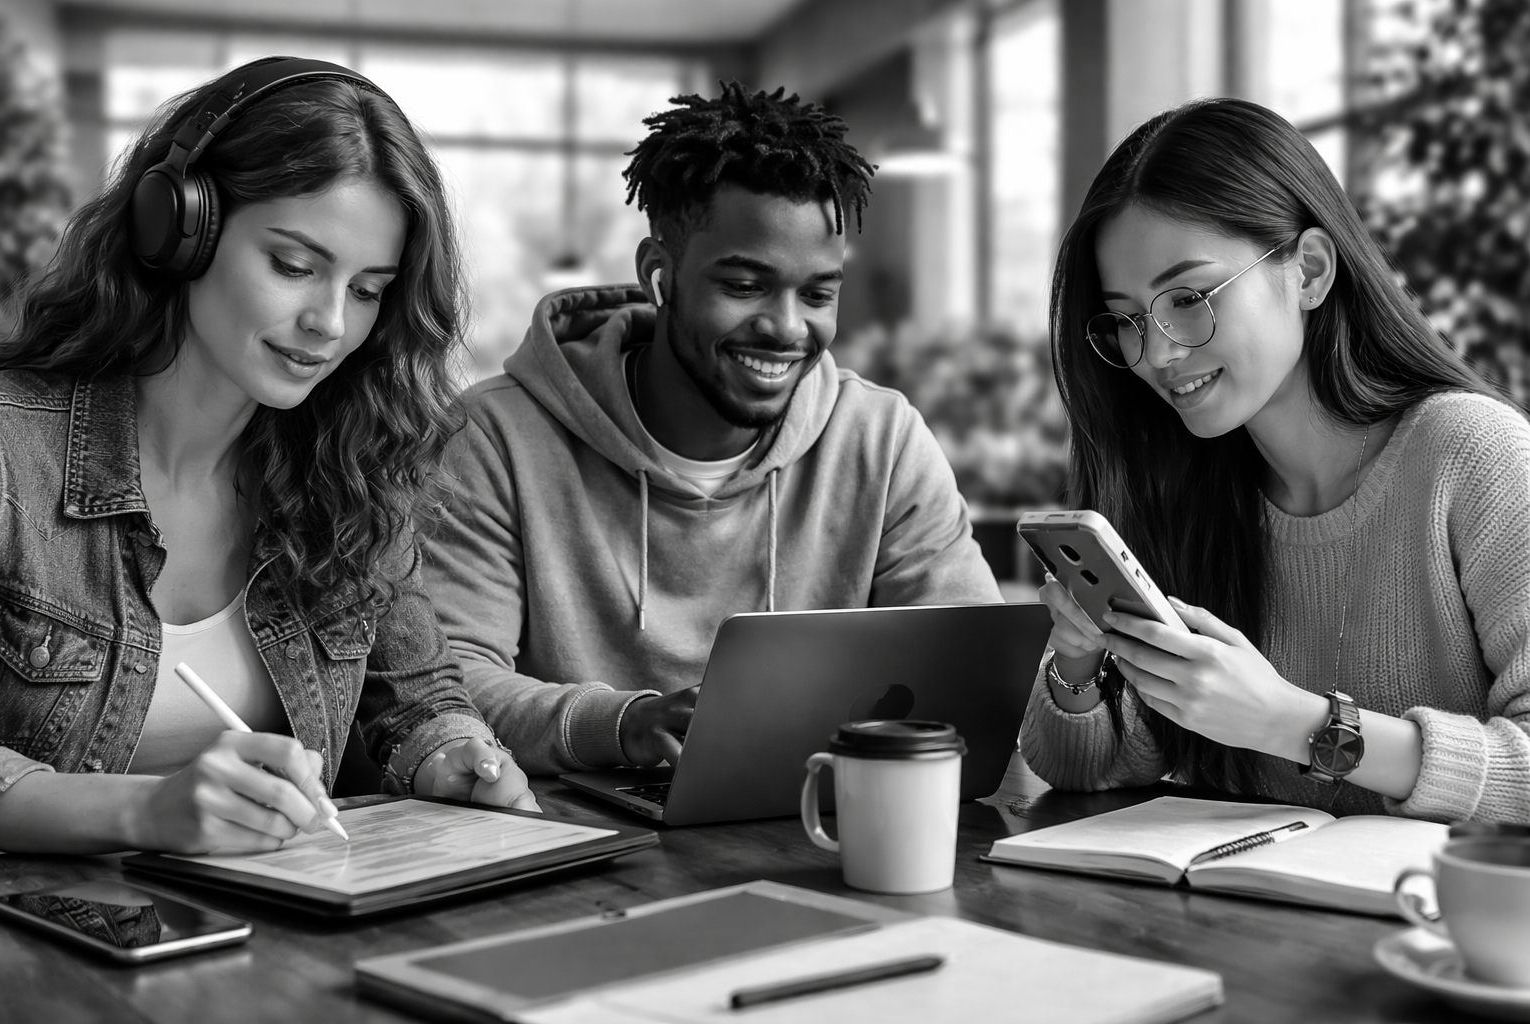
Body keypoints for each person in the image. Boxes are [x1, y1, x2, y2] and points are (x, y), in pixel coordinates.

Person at [0, 57, 537, 856]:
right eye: (293, 265)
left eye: (367, 290)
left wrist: (451, 755)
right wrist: (145, 813)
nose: (329, 323)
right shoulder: (8, 452)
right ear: (180, 229)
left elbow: (415, 697)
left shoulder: (353, 469)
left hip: (270, 946)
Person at [424, 83, 1000, 774]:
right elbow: (444, 685)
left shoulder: (882, 439)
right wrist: (625, 724)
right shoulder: (495, 438)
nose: (788, 329)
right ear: (658, 274)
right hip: (581, 842)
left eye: (818, 294)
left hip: (816, 830)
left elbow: (972, 671)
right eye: (745, 286)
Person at [1020, 97, 1530, 824]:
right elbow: (1087, 773)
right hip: (1240, 923)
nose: (1159, 353)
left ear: (1311, 271)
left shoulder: (1474, 457)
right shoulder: (1188, 485)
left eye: (1190, 297)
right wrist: (1076, 661)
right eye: (1128, 318)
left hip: (1438, 925)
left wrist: (1295, 723)